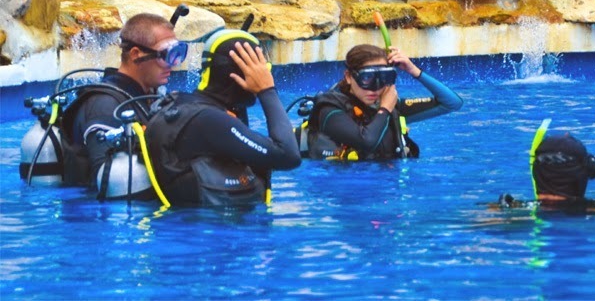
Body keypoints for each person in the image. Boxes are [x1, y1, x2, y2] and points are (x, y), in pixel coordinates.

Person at [142, 29, 301, 206]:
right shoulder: (210, 120)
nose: (266, 76)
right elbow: (288, 156)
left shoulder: (193, 107)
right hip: (205, 223)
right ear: (240, 74)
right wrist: (267, 90)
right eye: (262, 71)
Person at [60, 13, 186, 195]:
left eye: (177, 54)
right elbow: (111, 183)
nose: (172, 64)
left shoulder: (145, 96)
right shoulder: (105, 106)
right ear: (136, 54)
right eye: (165, 55)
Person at [303, 44, 462, 161]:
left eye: (383, 78)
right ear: (349, 77)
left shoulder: (391, 107)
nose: (375, 88)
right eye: (366, 78)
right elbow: (366, 142)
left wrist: (413, 70)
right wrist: (385, 109)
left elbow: (452, 103)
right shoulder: (330, 109)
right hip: (346, 189)